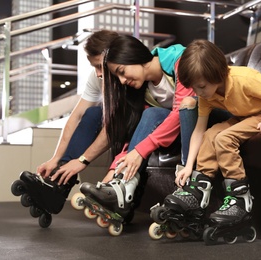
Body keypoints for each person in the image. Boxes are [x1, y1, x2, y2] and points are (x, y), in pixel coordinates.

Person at [168, 39, 261, 233]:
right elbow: (199, 130)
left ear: (218, 74)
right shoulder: (208, 95)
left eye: (201, 86)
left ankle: (240, 199)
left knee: (223, 138)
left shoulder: (244, 78)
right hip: (242, 117)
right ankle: (199, 189)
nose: (198, 93)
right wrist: (189, 167)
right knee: (210, 134)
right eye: (195, 88)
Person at [79, 35, 198, 223]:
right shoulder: (143, 90)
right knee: (151, 115)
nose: (122, 80)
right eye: (118, 77)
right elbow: (138, 130)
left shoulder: (180, 59)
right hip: (179, 131)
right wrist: (116, 168)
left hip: (207, 118)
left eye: (122, 71)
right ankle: (121, 186)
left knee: (178, 108)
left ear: (133, 56)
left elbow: (181, 110)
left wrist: (140, 151)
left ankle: (188, 190)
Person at [11, 30, 119, 224]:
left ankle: (59, 184)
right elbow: (76, 117)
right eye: (94, 67)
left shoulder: (125, 76)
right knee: (92, 113)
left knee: (98, 113)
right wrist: (56, 159)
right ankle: (58, 183)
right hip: (115, 123)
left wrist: (82, 161)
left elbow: (115, 126)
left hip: (134, 123)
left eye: (100, 66)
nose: (98, 73)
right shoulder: (98, 77)